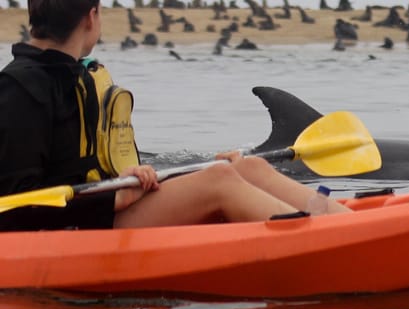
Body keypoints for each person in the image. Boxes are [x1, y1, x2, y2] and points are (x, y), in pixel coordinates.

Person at [0, 0, 351, 232]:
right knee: (219, 181)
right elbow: (15, 205)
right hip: (71, 228)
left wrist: (127, 178)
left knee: (245, 167)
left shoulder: (77, 77)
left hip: (101, 206)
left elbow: (83, 170)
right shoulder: (20, 88)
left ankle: (350, 226)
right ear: (92, 17)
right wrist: (113, 197)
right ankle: (331, 243)